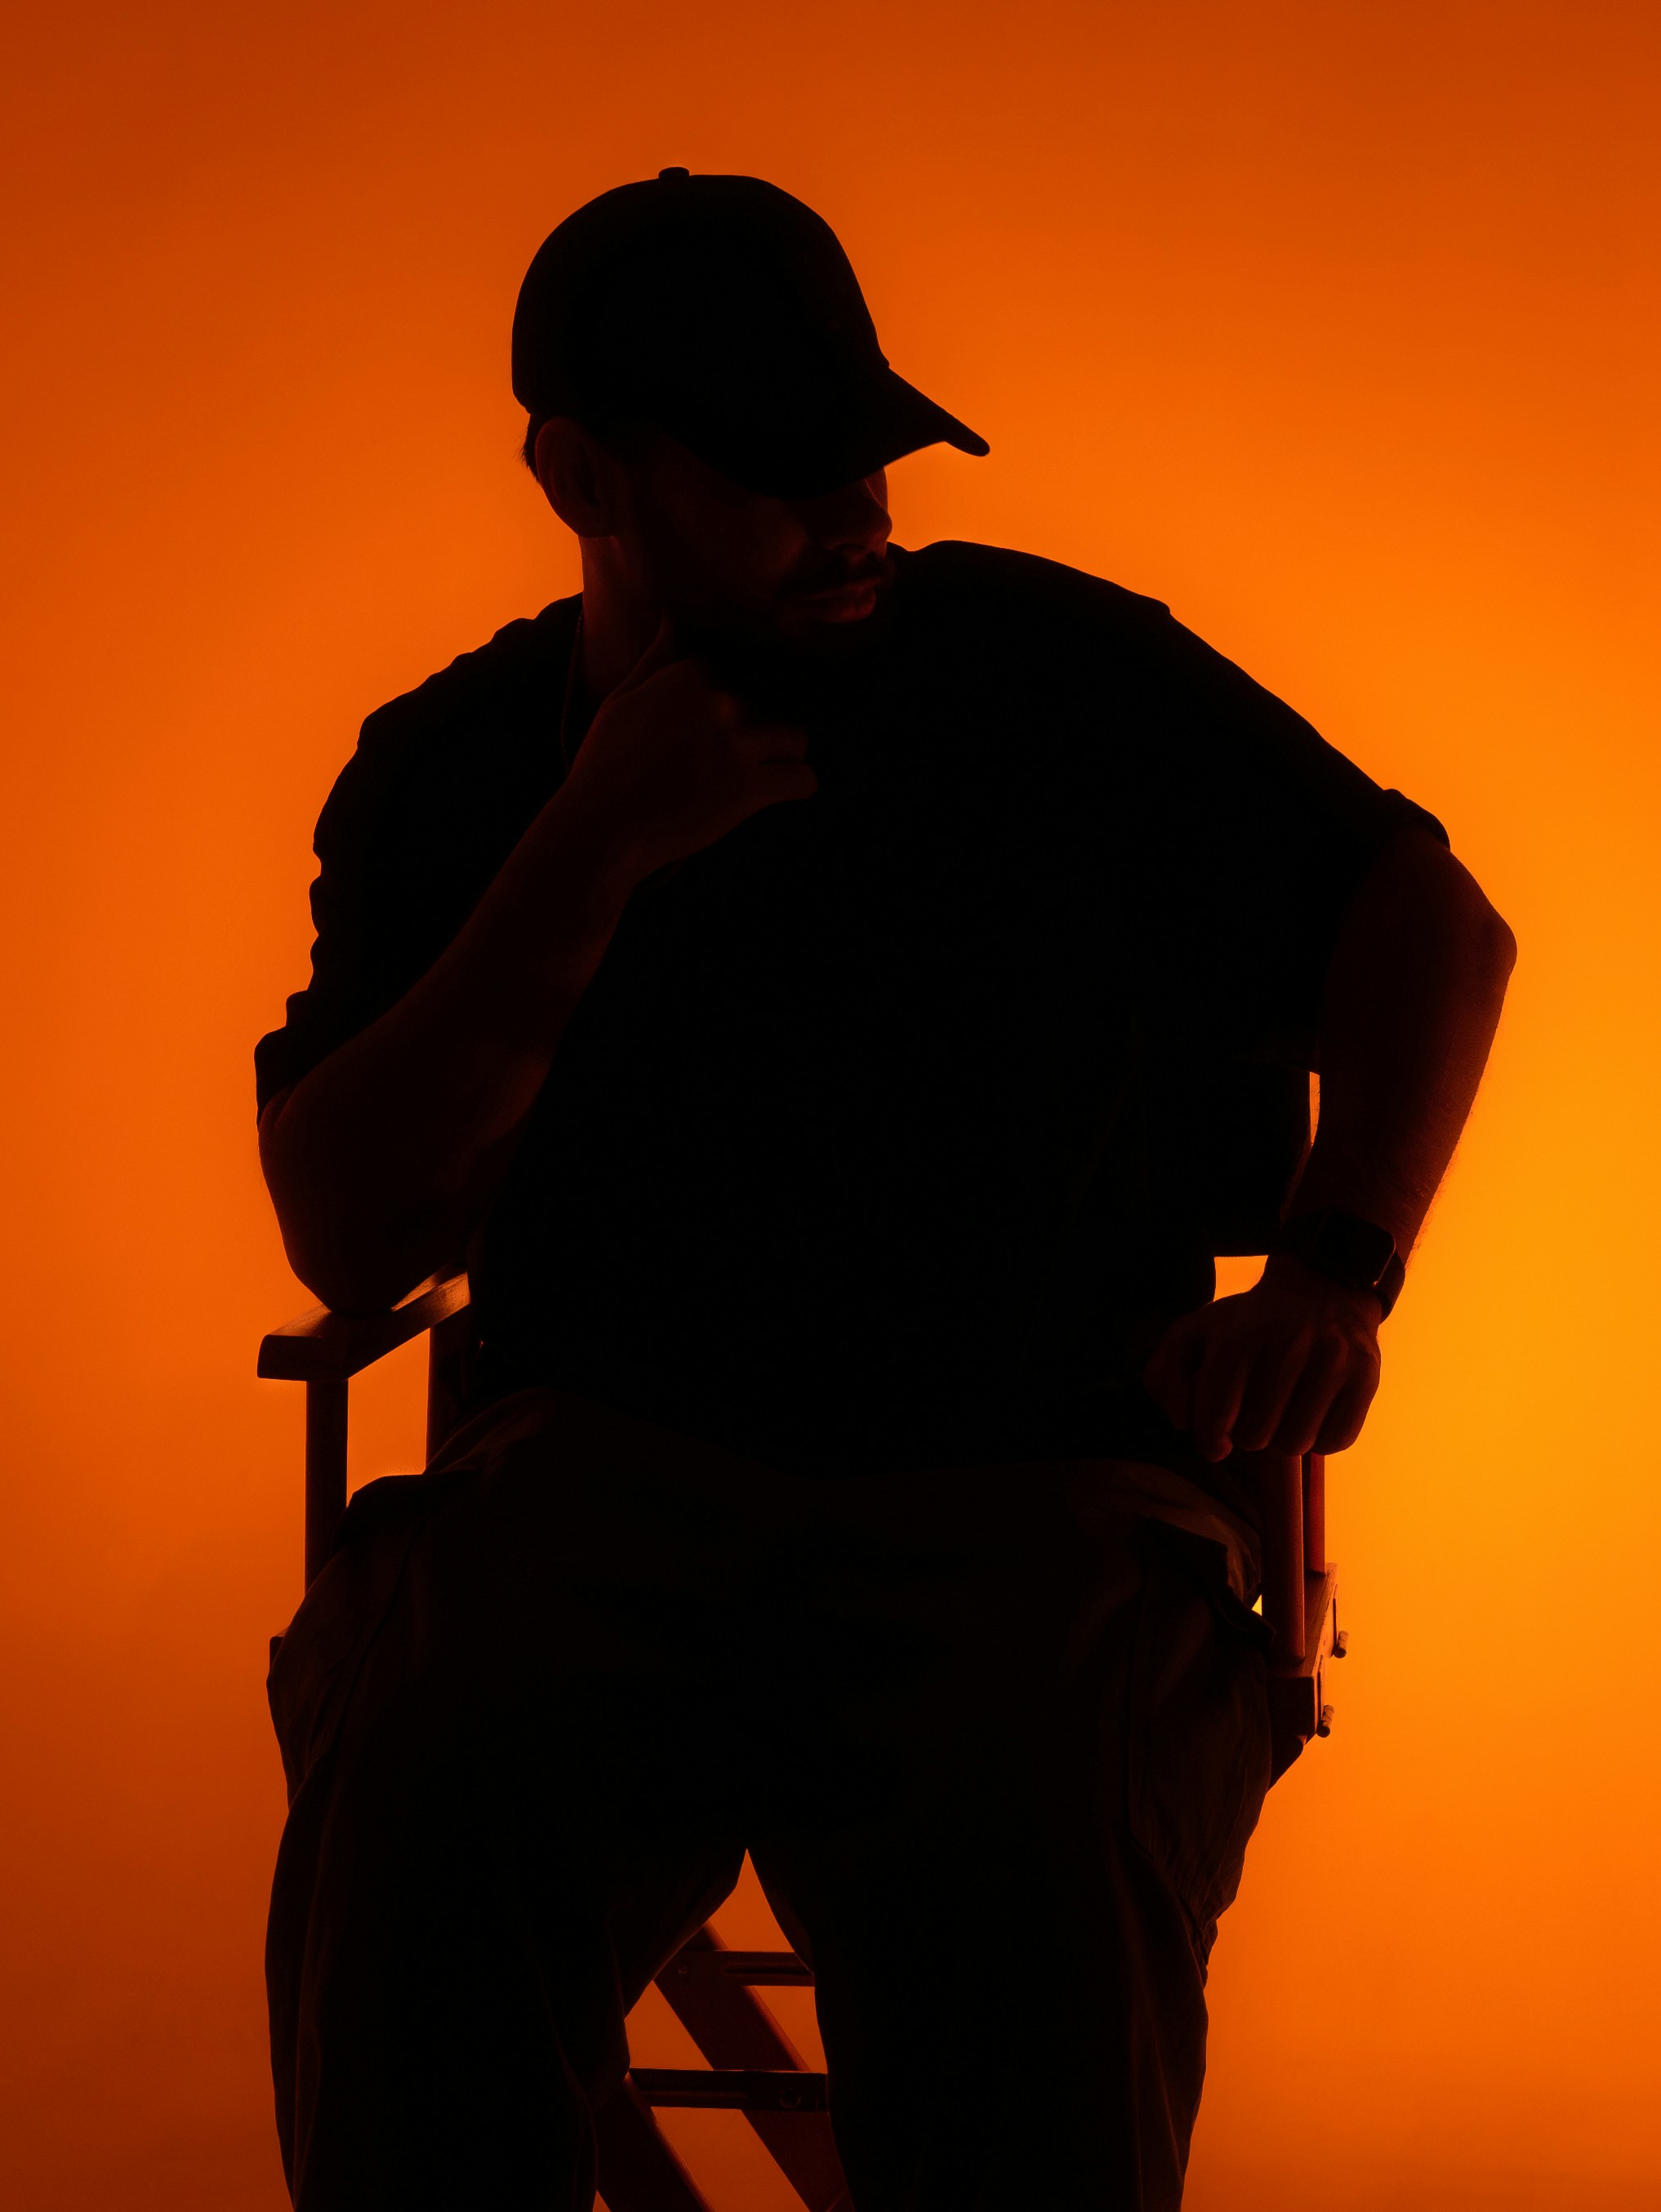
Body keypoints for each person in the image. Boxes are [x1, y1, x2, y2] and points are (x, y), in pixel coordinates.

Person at [256, 171, 1515, 2210]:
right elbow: (348, 1223)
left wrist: (1338, 1263)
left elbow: (1427, 913)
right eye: (774, 476)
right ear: (583, 471)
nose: (856, 520)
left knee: (1031, 1822)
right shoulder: (461, 763)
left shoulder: (1054, 677)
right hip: (601, 1489)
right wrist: (585, 851)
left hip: (1036, 1483)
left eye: (868, 458)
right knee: (425, 1767)